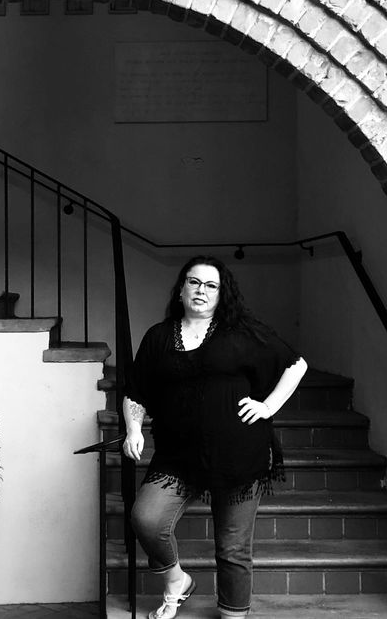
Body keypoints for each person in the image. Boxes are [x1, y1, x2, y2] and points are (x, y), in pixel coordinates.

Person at [123, 255, 308, 619]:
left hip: (239, 455)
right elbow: (136, 392)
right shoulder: (159, 337)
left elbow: (295, 364)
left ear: (222, 294)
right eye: (194, 282)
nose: (201, 291)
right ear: (180, 289)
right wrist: (133, 429)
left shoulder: (241, 333)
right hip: (177, 456)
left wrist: (268, 407)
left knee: (233, 548)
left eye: (211, 285)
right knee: (146, 518)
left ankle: (232, 615)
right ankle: (176, 580)